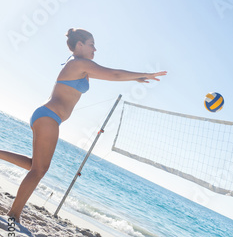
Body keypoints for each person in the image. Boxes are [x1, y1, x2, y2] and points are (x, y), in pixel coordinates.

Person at [0, 28, 166, 224]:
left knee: (34, 166)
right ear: (79, 45)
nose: (95, 49)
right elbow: (113, 74)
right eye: (91, 44)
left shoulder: (79, 66)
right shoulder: (79, 63)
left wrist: (136, 77)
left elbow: (110, 75)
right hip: (48, 118)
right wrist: (143, 74)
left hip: (46, 116)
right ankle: (14, 215)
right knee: (39, 170)